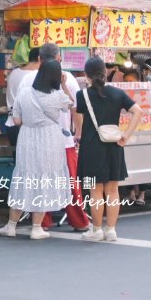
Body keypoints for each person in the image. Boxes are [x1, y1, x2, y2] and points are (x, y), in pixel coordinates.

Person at [0, 59, 73, 240]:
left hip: (27, 138)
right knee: (44, 179)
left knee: (24, 178)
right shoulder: (57, 95)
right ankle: (36, 228)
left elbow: (16, 121)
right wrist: (63, 84)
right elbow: (70, 103)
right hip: (50, 139)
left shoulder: (23, 93)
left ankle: (11, 225)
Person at [75, 56, 143, 242]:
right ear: (105, 72)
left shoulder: (82, 96)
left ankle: (96, 229)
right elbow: (138, 111)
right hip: (114, 146)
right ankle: (111, 230)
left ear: (86, 75)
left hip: (90, 148)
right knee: (113, 190)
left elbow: (79, 120)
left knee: (94, 190)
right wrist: (126, 135)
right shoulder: (117, 93)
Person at [37, 42, 90, 231]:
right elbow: (76, 108)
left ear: (39, 59)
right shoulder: (68, 80)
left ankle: (42, 221)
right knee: (70, 182)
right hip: (64, 139)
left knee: (43, 181)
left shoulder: (29, 80)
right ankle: (79, 221)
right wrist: (79, 132)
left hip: (40, 140)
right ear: (59, 58)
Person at [4, 47, 40, 146]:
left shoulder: (14, 73)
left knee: (18, 159)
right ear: (39, 58)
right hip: (26, 126)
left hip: (11, 123)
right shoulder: (35, 76)